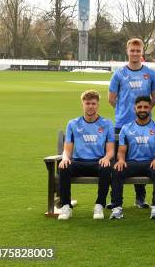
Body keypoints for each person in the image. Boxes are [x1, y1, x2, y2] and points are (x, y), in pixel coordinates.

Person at [108, 38, 155, 208]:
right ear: (127, 51)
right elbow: (111, 99)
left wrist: (143, 112)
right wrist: (124, 110)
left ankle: (140, 197)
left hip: (143, 124)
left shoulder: (150, 73)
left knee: (142, 157)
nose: (135, 53)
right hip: (122, 124)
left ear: (142, 52)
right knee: (118, 161)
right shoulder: (119, 73)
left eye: (138, 51)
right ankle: (114, 198)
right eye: (133, 50)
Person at [57, 90, 115, 220]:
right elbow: (67, 149)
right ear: (82, 104)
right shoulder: (73, 123)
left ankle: (99, 204)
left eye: (93, 103)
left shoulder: (106, 124)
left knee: (106, 168)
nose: (90, 106)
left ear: (98, 105)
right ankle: (66, 206)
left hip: (97, 162)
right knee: (63, 167)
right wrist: (65, 158)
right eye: (87, 103)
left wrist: (106, 158)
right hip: (78, 162)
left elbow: (110, 150)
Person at [109, 96, 155, 220]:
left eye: (146, 107)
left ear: (150, 108)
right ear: (134, 109)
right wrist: (120, 160)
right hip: (132, 163)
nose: (142, 109)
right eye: (139, 107)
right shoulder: (126, 128)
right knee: (117, 170)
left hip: (151, 163)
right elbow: (121, 151)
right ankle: (117, 207)